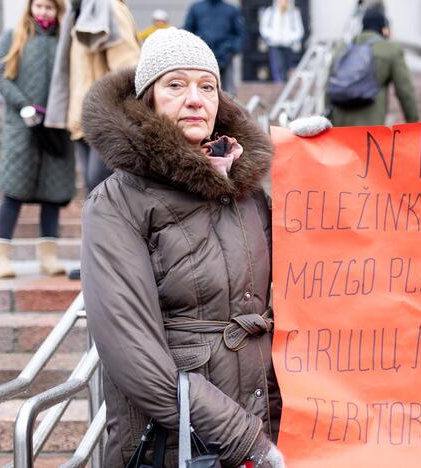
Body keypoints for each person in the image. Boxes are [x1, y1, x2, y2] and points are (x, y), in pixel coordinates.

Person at [79, 28, 283, 467]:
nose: (196, 99)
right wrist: (244, 440)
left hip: (268, 423)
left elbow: (333, 268)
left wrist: (314, 158)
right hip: (179, 445)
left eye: (207, 86)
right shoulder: (117, 202)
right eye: (176, 85)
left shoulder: (247, 193)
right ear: (147, 99)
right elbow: (133, 353)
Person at [45, 0, 141, 280]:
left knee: (106, 191)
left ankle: (114, 263)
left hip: (104, 119)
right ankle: (96, 261)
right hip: (81, 119)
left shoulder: (108, 8)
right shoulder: (77, 12)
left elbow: (128, 68)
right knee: (94, 193)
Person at [0, 0, 75, 279]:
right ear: (30, 8)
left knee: (53, 193)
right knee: (13, 191)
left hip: (55, 126)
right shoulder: (13, 37)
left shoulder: (66, 40)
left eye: (49, 8)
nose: (43, 12)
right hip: (21, 125)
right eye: (39, 6)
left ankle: (48, 255)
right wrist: (22, 104)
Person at [327, 8, 419, 127]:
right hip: (371, 131)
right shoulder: (390, 49)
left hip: (340, 129)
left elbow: (328, 88)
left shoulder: (342, 50)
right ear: (383, 28)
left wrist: (329, 121)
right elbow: (405, 91)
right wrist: (414, 124)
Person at [184, 0, 245, 96]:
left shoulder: (231, 10)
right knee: (201, 88)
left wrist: (231, 50)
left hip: (225, 57)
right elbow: (188, 31)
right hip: (201, 57)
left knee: (229, 92)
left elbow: (240, 35)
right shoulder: (196, 8)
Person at [260, 0, 304, 83]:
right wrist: (271, 37)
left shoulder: (293, 13)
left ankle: (287, 85)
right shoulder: (270, 12)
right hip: (275, 44)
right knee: (278, 67)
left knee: (288, 67)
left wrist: (291, 38)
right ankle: (279, 85)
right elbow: (264, 28)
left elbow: (299, 30)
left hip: (288, 45)